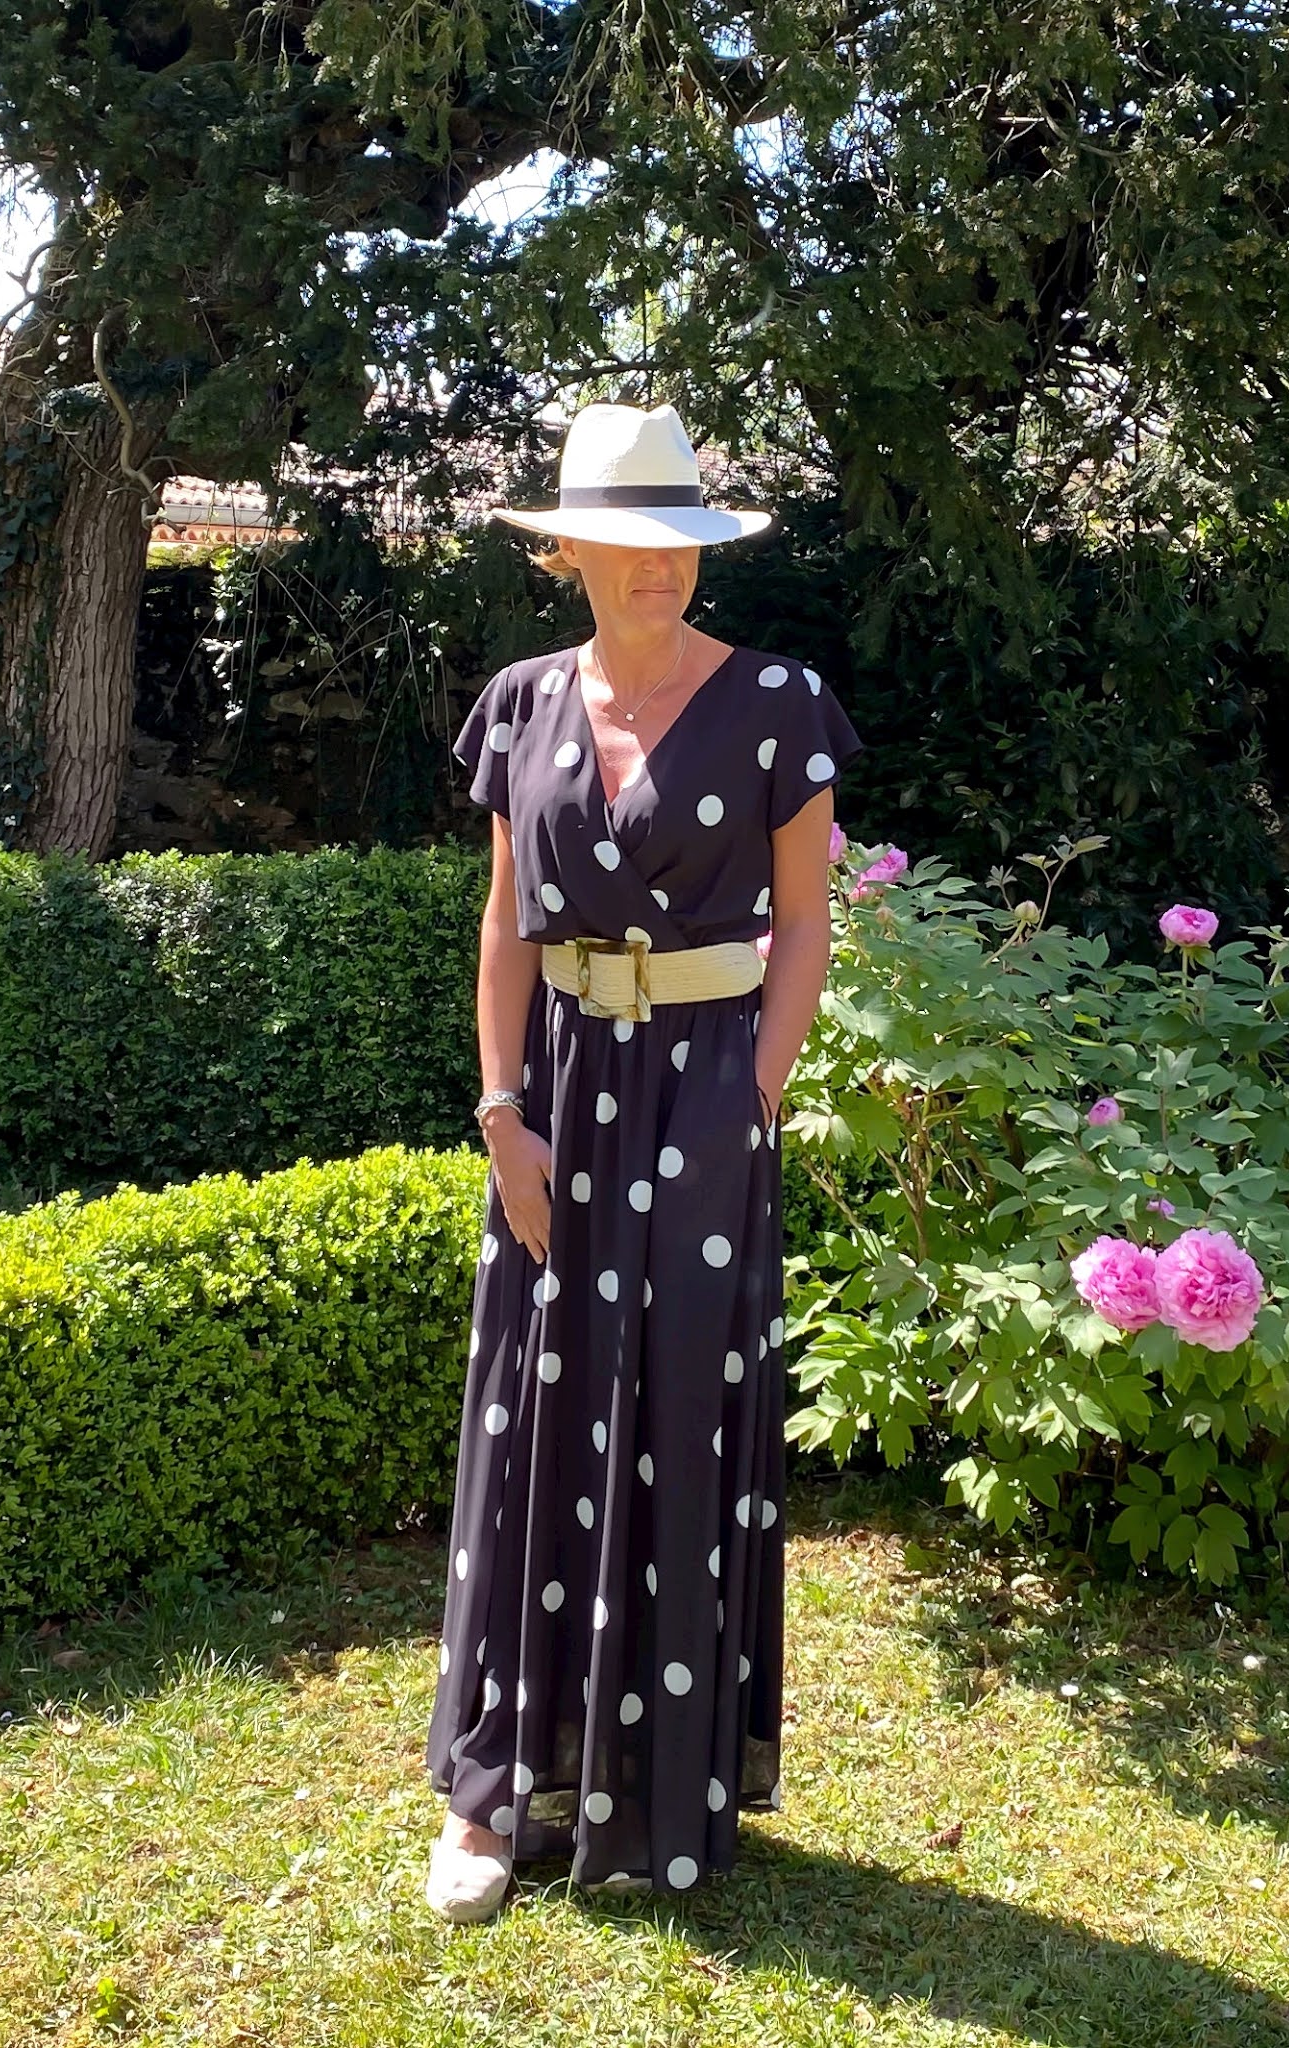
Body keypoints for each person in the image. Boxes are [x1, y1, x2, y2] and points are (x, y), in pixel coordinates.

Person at [423, 400, 865, 1922]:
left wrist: (752, 1094)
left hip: (702, 1083)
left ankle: (666, 1787)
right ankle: (496, 1799)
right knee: (535, 1406)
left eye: (676, 545)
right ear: (571, 553)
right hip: (554, 1084)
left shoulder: (780, 702)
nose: (653, 571)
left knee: (679, 1400)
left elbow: (805, 921)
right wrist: (499, 1113)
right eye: (624, 545)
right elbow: (503, 925)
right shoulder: (520, 703)